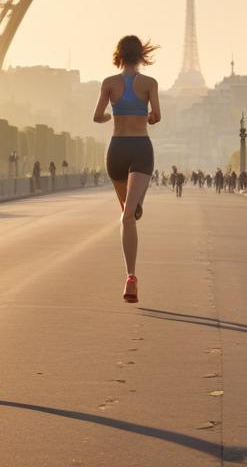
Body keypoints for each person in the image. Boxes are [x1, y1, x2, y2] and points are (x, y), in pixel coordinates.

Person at [93, 35, 162, 304]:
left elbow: (97, 116)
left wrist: (111, 114)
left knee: (126, 217)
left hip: (117, 149)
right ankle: (136, 204)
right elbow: (156, 116)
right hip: (141, 148)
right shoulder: (149, 84)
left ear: (119, 55)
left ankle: (130, 277)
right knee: (128, 215)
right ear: (141, 55)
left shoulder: (109, 84)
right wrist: (145, 115)